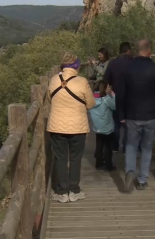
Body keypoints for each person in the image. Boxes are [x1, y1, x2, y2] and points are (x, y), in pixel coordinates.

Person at [117, 39, 155, 192]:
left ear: (136, 51)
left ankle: (129, 171)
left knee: (131, 145)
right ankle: (142, 180)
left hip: (133, 115)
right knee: (147, 148)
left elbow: (120, 94)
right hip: (151, 115)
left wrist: (121, 114)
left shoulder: (127, 69)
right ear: (149, 51)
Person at [47, 52, 96, 203]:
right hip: (78, 127)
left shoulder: (54, 79)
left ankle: (62, 192)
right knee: (75, 158)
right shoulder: (82, 82)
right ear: (77, 66)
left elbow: (50, 98)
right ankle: (74, 190)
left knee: (61, 158)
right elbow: (91, 103)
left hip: (57, 126)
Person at [103, 42, 133, 153]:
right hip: (130, 98)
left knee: (115, 123)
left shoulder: (112, 63)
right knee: (129, 125)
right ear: (128, 50)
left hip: (115, 97)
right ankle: (126, 146)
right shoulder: (133, 63)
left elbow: (105, 79)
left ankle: (114, 146)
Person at [89, 80, 117, 172]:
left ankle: (99, 164)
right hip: (107, 127)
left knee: (99, 145)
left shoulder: (92, 98)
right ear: (104, 88)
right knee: (108, 146)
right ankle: (108, 165)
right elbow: (114, 107)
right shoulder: (107, 99)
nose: (109, 89)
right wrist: (113, 96)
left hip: (97, 127)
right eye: (108, 87)